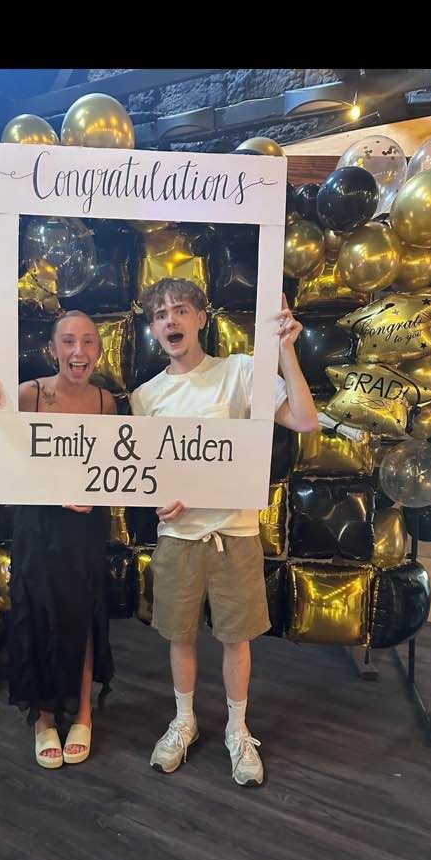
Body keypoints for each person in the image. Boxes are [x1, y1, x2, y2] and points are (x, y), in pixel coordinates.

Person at [130, 280, 318, 787]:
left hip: (233, 533)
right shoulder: (145, 396)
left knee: (236, 639)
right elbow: (145, 471)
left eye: (180, 310)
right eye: (160, 315)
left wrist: (284, 352)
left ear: (200, 318)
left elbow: (304, 418)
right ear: (152, 328)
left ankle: (238, 729)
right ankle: (184, 721)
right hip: (178, 538)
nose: (170, 320)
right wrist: (154, 498)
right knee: (180, 636)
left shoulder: (237, 372)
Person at [0, 311, 116, 769]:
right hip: (39, 522)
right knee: (36, 610)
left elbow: (111, 473)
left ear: (98, 348)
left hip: (85, 526)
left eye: (89, 342)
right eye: (69, 342)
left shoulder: (106, 402)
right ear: (53, 349)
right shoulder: (29, 393)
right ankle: (41, 718)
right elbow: (6, 462)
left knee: (85, 609)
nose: (79, 352)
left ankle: (81, 714)